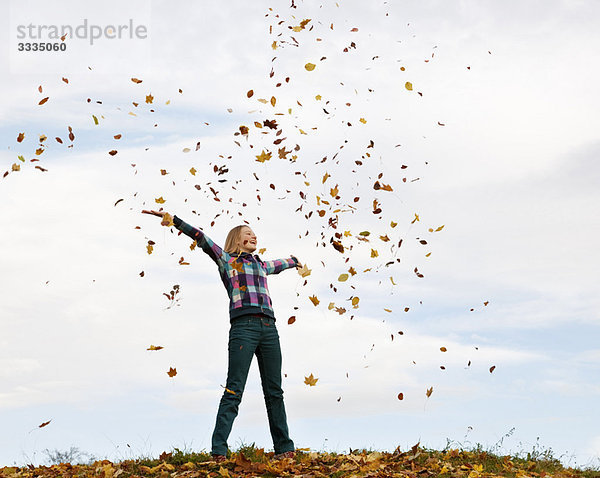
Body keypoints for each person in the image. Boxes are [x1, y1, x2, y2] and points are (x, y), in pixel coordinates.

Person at [146, 210, 300, 461]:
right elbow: (201, 237)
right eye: (247, 233)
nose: (253, 236)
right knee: (234, 389)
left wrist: (294, 261)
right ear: (237, 240)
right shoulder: (226, 260)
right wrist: (174, 220)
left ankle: (284, 449)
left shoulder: (261, 264)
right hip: (244, 328)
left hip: (269, 329)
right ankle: (219, 450)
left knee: (275, 392)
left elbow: (278, 265)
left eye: (255, 234)